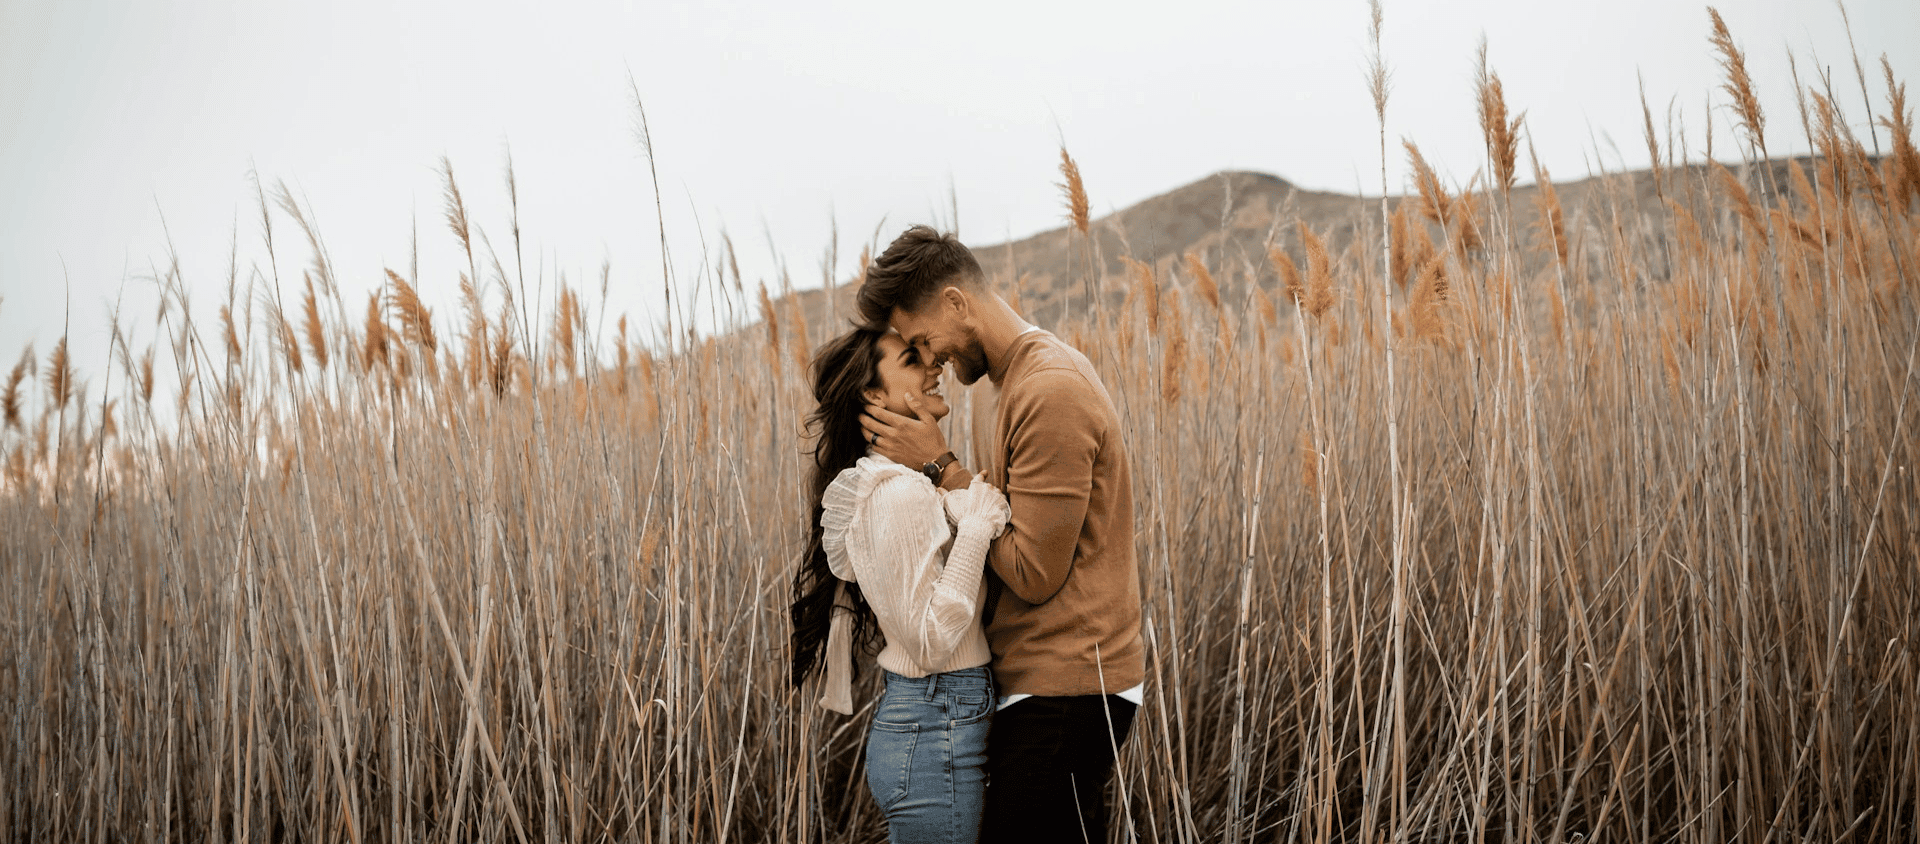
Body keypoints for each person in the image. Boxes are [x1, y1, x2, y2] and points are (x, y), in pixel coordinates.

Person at [856, 225, 1146, 842]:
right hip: (1039, 684)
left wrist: (940, 466)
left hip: (1067, 686)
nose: (929, 360)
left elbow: (1035, 576)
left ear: (958, 303)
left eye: (924, 340)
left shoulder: (1049, 390)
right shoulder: (1002, 382)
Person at [790, 326, 1013, 844]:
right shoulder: (897, 497)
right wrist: (976, 529)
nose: (935, 367)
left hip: (932, 724)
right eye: (913, 360)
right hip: (935, 725)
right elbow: (932, 641)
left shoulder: (903, 486)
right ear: (873, 394)